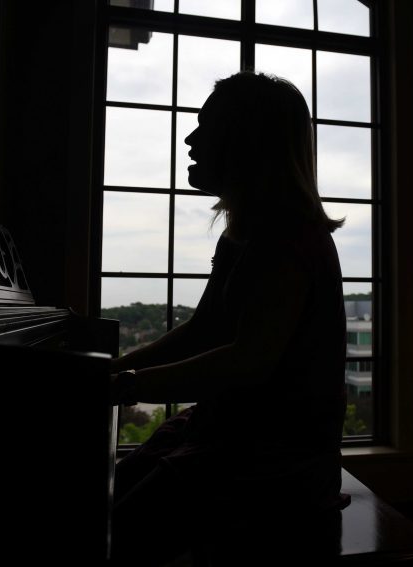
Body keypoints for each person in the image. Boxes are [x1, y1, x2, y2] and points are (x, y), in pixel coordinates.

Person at [109, 71, 348, 565]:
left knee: (125, 526)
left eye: (207, 126)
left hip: (278, 457)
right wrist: (115, 373)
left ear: (247, 141)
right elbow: (204, 329)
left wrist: (124, 384)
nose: (191, 138)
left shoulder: (288, 237)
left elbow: (248, 361)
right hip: (239, 432)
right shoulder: (247, 232)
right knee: (120, 496)